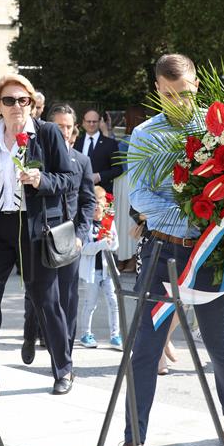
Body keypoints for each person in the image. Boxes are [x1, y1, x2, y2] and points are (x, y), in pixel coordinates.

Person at [112, 54, 224, 446]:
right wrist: (193, 210)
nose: (178, 103)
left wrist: (207, 212)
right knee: (145, 348)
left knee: (218, 341)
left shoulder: (219, 129)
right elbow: (140, 197)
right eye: (169, 95)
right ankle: (134, 438)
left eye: (185, 93)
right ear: (157, 91)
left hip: (208, 252)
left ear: (197, 84)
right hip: (162, 250)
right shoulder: (145, 135)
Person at [0, 73, 76, 400]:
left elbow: (67, 179)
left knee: (47, 303)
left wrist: (41, 180)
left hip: (33, 230)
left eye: (24, 100)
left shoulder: (47, 134)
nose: (18, 106)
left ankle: (63, 367)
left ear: (32, 104)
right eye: (9, 100)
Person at [21, 104, 96, 365]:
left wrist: (81, 234)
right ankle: (30, 332)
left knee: (67, 299)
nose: (63, 131)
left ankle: (64, 360)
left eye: (68, 126)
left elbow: (88, 201)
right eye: (59, 126)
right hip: (39, 236)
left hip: (67, 239)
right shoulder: (34, 160)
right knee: (36, 296)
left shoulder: (81, 160)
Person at [79, 186, 121, 349]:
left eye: (100, 202)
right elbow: (83, 248)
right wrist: (102, 244)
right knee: (90, 303)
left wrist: (110, 241)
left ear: (105, 203)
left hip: (108, 270)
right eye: (94, 202)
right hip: (92, 272)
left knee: (114, 302)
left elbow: (115, 245)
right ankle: (86, 334)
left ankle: (115, 335)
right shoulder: (86, 223)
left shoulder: (109, 222)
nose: (97, 206)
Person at [115, 106, 145, 273]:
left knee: (126, 221)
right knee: (132, 221)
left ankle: (127, 258)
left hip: (125, 182)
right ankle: (131, 258)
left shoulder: (128, 138)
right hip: (133, 181)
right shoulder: (143, 136)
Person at [73, 108, 122, 193]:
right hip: (78, 191)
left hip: (102, 193)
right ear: (83, 122)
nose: (91, 124)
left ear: (99, 122)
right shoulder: (75, 142)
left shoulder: (110, 143)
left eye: (94, 121)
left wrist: (99, 176)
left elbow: (118, 169)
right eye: (88, 121)